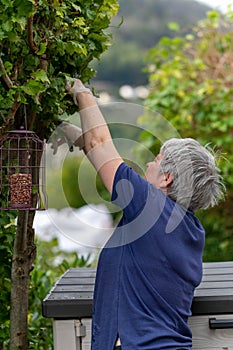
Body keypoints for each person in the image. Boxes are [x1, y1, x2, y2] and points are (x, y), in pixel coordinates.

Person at [63, 78, 225, 350]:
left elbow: (99, 142)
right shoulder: (188, 228)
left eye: (158, 159)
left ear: (167, 179)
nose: (149, 162)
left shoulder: (151, 208)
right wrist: (67, 132)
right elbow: (95, 147)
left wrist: (82, 92)